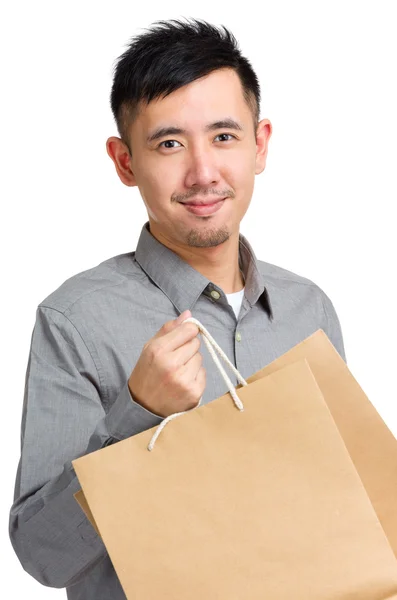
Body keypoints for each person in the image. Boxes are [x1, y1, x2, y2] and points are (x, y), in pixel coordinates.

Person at [9, 17, 346, 599]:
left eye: (224, 136)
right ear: (124, 162)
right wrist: (137, 415)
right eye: (169, 143)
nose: (202, 172)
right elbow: (43, 555)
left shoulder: (308, 310)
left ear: (259, 144)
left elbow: (342, 508)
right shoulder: (75, 322)